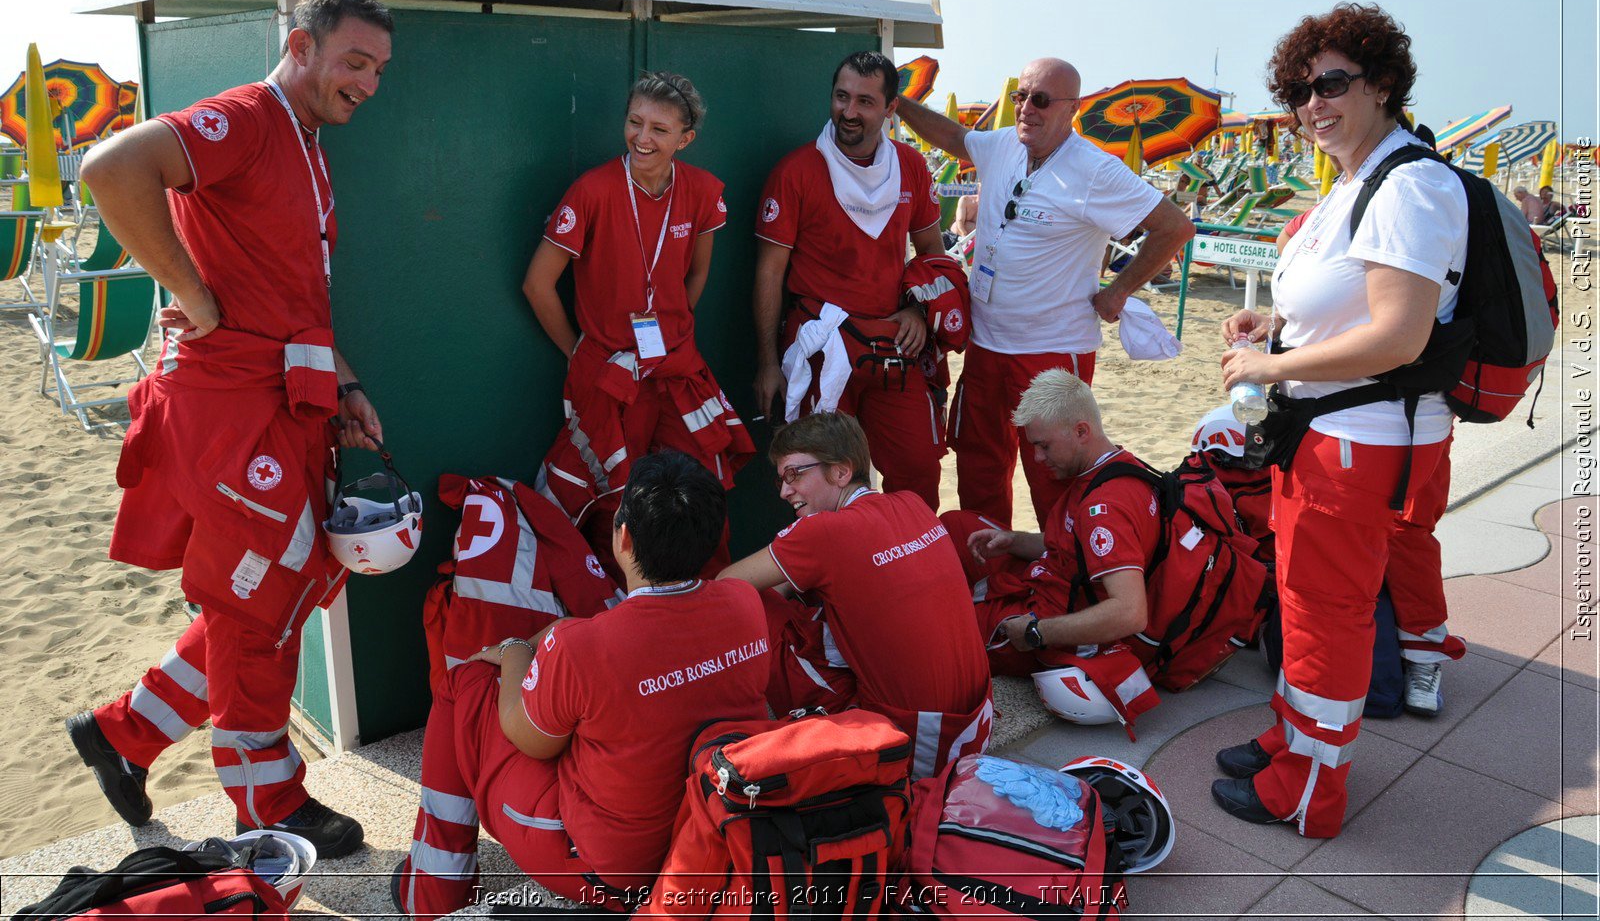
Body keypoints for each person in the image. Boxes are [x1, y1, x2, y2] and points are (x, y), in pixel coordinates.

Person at [66, 0, 395, 857]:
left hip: (283, 403)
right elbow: (110, 167)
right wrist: (185, 290)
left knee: (269, 591)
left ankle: (123, 732)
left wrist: (348, 385)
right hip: (228, 409)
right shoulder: (250, 116)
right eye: (354, 60)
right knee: (260, 601)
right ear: (301, 44)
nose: (367, 80)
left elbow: (293, 297)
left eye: (378, 68)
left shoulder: (308, 143)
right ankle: (269, 805)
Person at [1213, 3, 1467, 839]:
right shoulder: (1358, 181)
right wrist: (1275, 332)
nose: (1311, 104)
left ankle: (1309, 790)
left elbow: (1400, 334)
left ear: (1383, 83)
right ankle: (1294, 738)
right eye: (1298, 90)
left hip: (1360, 441)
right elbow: (1344, 309)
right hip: (1333, 434)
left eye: (1330, 83)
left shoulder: (1412, 184)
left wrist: (1270, 366)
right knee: (1305, 603)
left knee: (1327, 613)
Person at [395, 452, 771, 919]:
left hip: (611, 872)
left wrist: (514, 649)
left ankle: (433, 895)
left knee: (463, 683)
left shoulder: (583, 646)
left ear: (624, 536)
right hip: (717, 834)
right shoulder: (745, 604)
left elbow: (528, 740)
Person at [895, 58, 1194, 528]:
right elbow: (953, 138)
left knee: (1054, 476)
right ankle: (990, 573)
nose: (1026, 109)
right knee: (979, 466)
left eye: (1040, 99)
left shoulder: (1095, 169)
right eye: (1020, 96)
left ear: (1072, 108)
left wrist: (1117, 291)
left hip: (1051, 351)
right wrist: (897, 101)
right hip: (987, 341)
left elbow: (1175, 227)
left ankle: (1061, 577)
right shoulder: (1002, 146)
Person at [525, 72, 752, 571]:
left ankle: (709, 609)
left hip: (676, 369)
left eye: (659, 129)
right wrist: (577, 350)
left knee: (700, 488)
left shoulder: (704, 191)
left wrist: (668, 331)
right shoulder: (592, 190)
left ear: (684, 139)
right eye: (634, 122)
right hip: (608, 374)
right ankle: (621, 618)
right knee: (616, 500)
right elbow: (537, 284)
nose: (642, 138)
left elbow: (695, 276)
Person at [719, 411, 992, 779]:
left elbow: (726, 584)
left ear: (842, 471)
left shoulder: (823, 532)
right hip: (975, 726)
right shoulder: (912, 502)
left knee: (759, 608)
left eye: (794, 474)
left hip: (912, 748)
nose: (785, 490)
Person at [752, 51, 948, 509]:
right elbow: (769, 272)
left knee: (918, 475)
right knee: (819, 485)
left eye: (865, 101)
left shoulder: (912, 167)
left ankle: (909, 574)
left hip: (894, 345)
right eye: (842, 97)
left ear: (890, 108)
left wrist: (919, 308)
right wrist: (767, 362)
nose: (849, 112)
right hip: (820, 347)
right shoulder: (797, 170)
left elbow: (933, 256)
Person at [961, 370, 1151, 667]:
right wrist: (1014, 540)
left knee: (940, 628)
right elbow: (1077, 546)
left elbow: (1130, 612)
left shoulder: (1102, 509)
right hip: (1055, 584)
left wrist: (1036, 632)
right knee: (956, 525)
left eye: (1044, 445)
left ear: (1081, 431)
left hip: (1059, 621)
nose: (1037, 457)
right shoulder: (1117, 466)